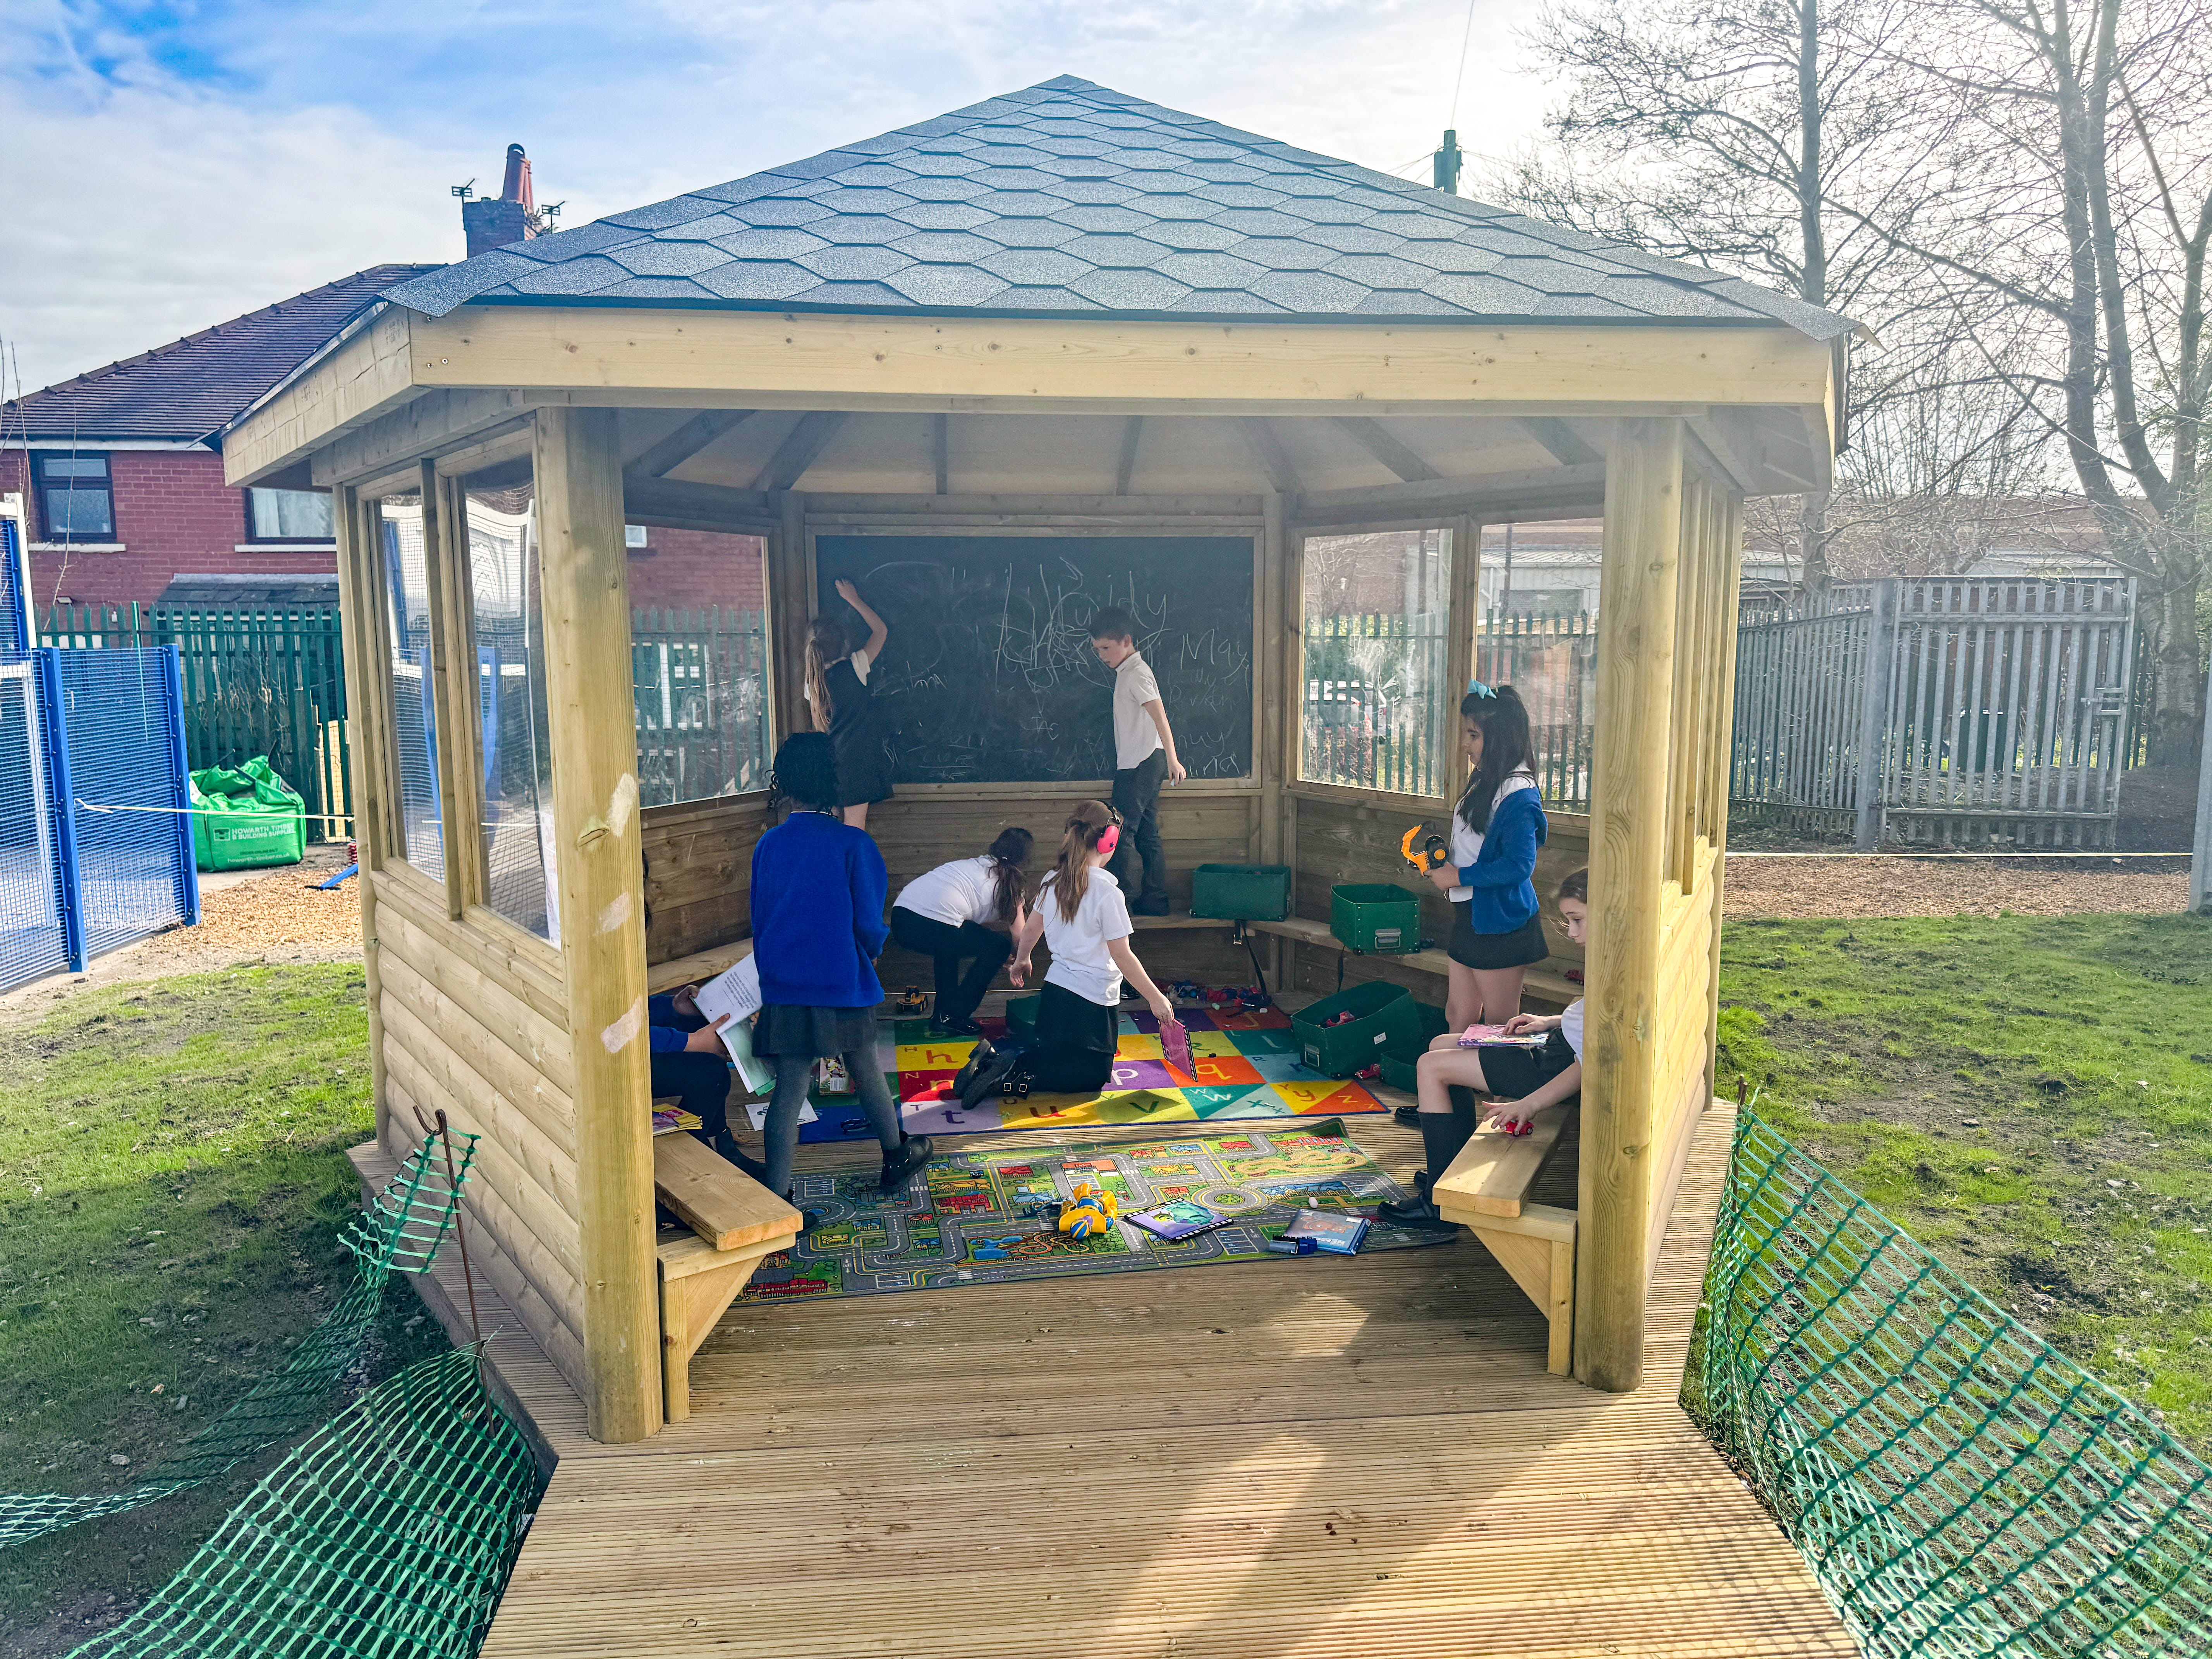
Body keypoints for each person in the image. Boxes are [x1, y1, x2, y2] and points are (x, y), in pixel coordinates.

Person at [744, 732, 929, 1205]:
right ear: (833, 781)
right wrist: (871, 951)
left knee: (790, 1087)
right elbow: (869, 922)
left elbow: (760, 917)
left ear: (783, 783)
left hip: (784, 984)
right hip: (842, 981)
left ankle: (778, 1197)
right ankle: (896, 1156)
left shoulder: (769, 844)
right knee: (865, 1068)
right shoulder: (854, 844)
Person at [1379, 867, 1589, 1233]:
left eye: (1577, 920)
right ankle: (1447, 1171)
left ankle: (1438, 1209)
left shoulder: (1619, 967)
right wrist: (1551, 1020)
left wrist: (1530, 1104)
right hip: (1551, 1045)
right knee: (1440, 1044)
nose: (1571, 933)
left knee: (1432, 1067)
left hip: (1549, 1069)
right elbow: (1591, 1019)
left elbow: (1591, 1062)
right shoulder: (1618, 955)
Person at [954, 801, 1176, 1103]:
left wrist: (1023, 959)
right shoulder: (1109, 894)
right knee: (1091, 1079)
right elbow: (1123, 955)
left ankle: (994, 1061)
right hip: (1091, 1003)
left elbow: (1032, 929)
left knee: (1057, 1058)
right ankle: (1002, 1077)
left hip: (1056, 995)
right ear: (1108, 841)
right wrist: (1155, 997)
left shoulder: (1052, 880)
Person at [890, 828, 1033, 1037]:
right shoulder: (1011, 885)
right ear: (1026, 860)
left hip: (901, 919)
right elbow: (1020, 936)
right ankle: (953, 1015)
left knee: (952, 941)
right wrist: (1018, 960)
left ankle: (945, 1016)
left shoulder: (973, 865)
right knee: (997, 946)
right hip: (932, 923)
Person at [1087, 605, 1183, 916]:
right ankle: (1155, 900)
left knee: (1121, 831)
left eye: (1106, 648)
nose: (1102, 655)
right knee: (1146, 833)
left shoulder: (1137, 674)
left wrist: (1173, 759)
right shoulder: (1128, 673)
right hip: (1143, 760)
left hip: (1141, 762)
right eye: (1097, 649)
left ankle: (1122, 902)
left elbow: (1160, 716)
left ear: (1126, 641)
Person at [805, 578, 894, 830]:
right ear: (844, 644)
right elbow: (881, 631)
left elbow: (820, 729)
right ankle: (852, 871)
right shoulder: (856, 667)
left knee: (833, 828)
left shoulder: (812, 683)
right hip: (859, 763)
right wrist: (853, 599)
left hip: (830, 764)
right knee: (855, 830)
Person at [646, 986, 746, 1167]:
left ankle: (718, 1141)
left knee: (697, 1023)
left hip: (625, 1038)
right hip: (602, 1064)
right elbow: (614, 1029)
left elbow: (623, 1011)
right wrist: (689, 1042)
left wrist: (674, 1006)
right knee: (711, 1072)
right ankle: (684, 1160)